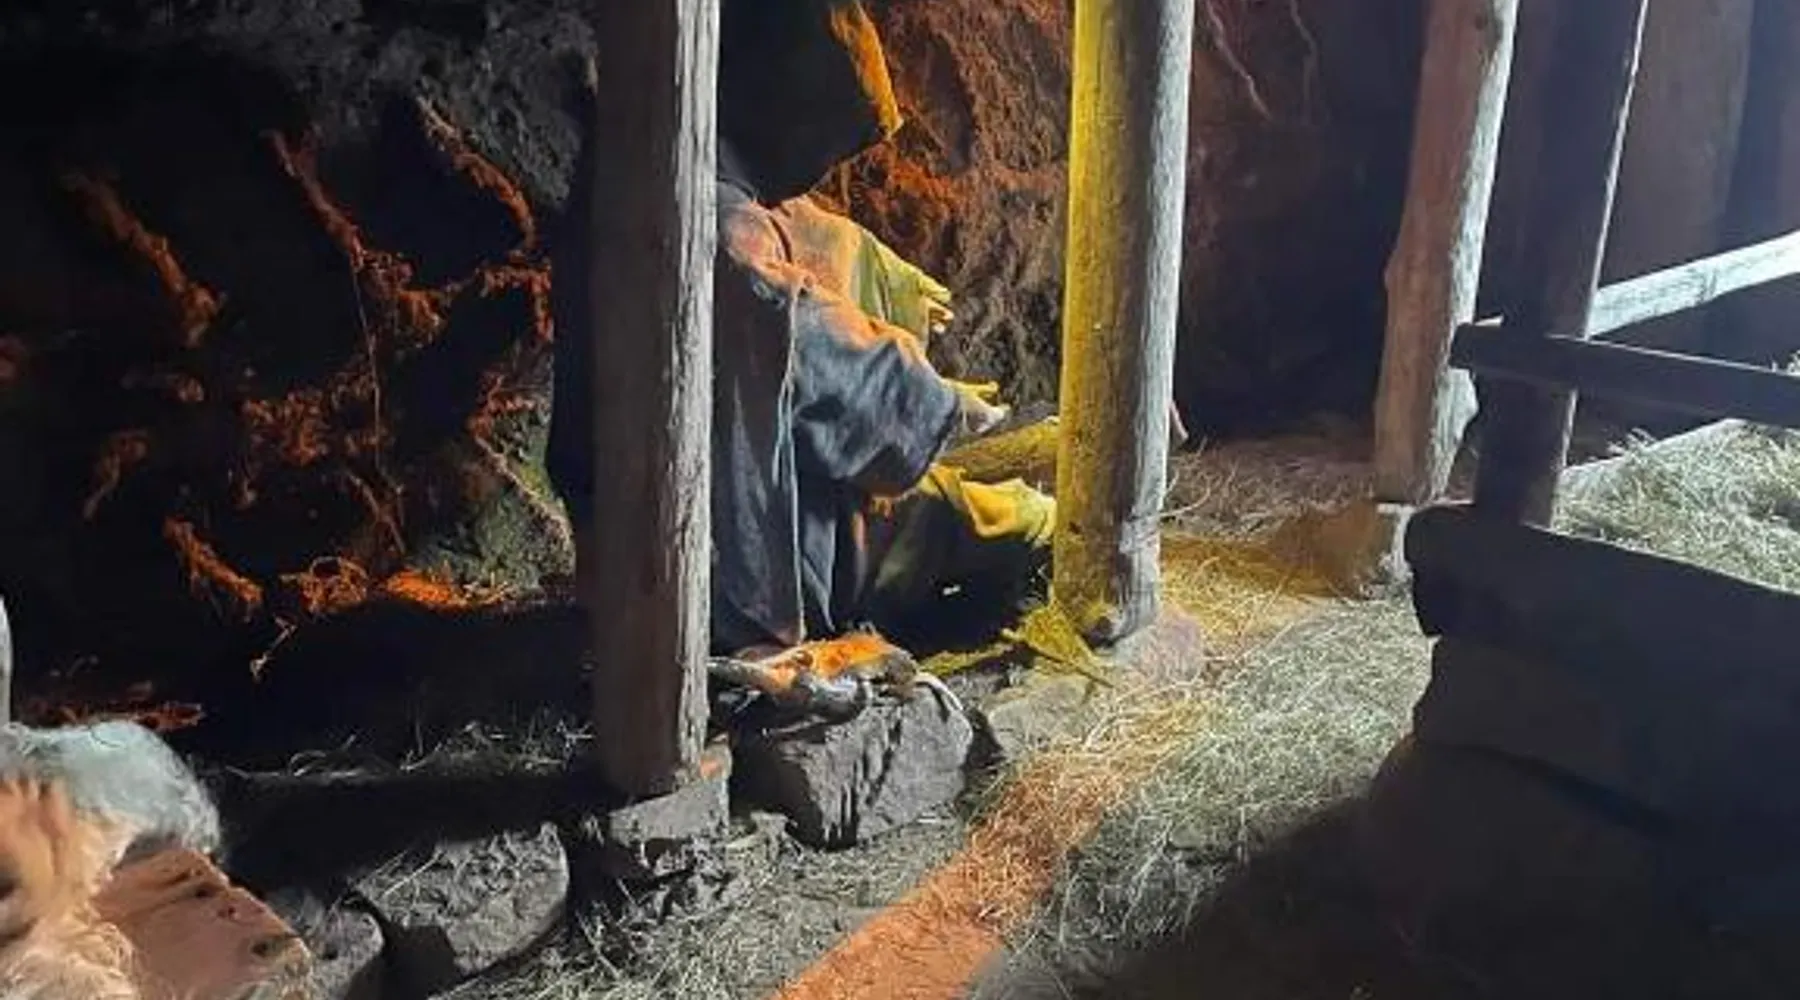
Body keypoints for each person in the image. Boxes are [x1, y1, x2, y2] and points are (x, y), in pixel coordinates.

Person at [548, 0, 1054, 663]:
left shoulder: (649, 172)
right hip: (719, 560)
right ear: (784, 113)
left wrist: (895, 283)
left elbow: (808, 231)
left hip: (645, 538)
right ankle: (1022, 535)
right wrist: (940, 405)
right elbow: (806, 348)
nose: (823, 171)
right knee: (979, 519)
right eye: (823, 145)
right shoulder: (704, 230)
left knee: (934, 490)